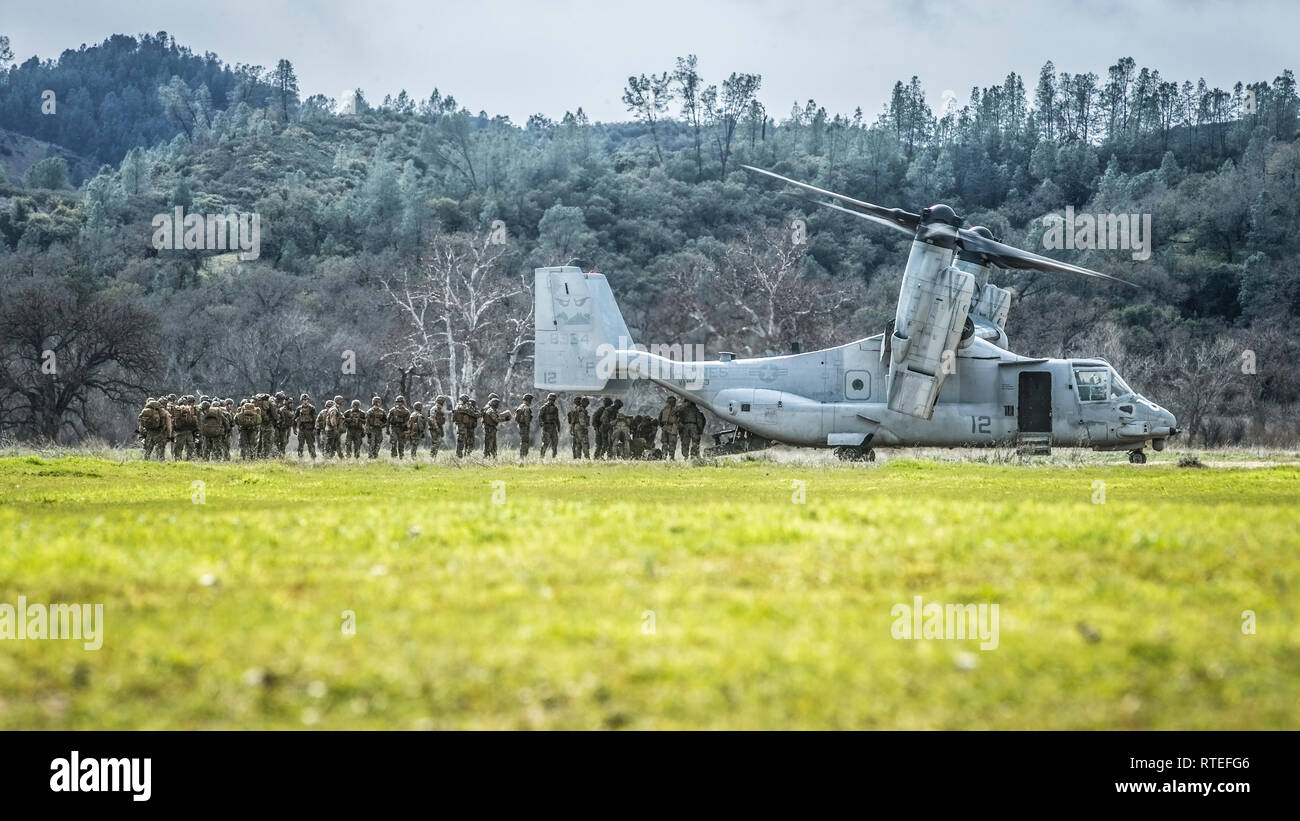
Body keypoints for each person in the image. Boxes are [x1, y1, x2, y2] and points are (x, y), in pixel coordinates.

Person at [296, 393, 318, 459]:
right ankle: (300, 458)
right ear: (301, 400)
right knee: (300, 445)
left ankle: (313, 459)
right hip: (301, 429)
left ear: (308, 400)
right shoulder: (298, 409)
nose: (305, 401)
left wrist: (315, 428)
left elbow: (315, 419)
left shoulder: (312, 408)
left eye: (306, 400)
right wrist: (294, 428)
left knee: (311, 445)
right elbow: (294, 418)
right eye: (303, 400)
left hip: (310, 430)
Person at [538, 393, 561, 458]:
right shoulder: (544, 407)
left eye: (553, 400)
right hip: (546, 427)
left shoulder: (555, 408)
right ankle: (542, 456)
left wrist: (559, 426)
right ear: (548, 399)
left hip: (553, 427)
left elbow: (557, 418)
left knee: (555, 443)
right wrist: (541, 424)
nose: (552, 401)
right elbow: (540, 416)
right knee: (545, 443)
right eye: (550, 399)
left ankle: (554, 457)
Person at [659, 396, 679, 460]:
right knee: (672, 444)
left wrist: (663, 426)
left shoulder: (663, 409)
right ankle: (671, 458)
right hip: (672, 428)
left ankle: (664, 457)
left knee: (664, 443)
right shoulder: (676, 410)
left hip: (665, 427)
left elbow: (659, 419)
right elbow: (680, 419)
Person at [273, 392, 294, 456]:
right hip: (282, 429)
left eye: (292, 403)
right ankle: (280, 454)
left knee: (285, 442)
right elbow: (279, 419)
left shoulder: (291, 410)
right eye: (290, 403)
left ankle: (281, 454)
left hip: (288, 428)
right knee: (282, 442)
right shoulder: (282, 410)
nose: (291, 404)